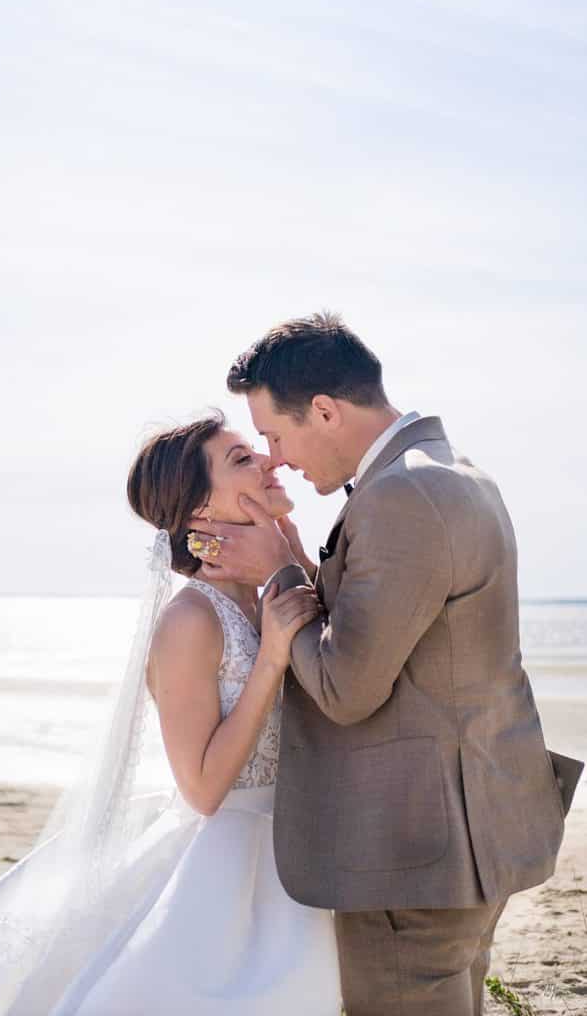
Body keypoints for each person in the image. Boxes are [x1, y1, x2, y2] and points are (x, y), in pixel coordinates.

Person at [187, 312, 584, 1016]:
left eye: (276, 436)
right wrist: (304, 570)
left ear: (325, 411)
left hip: (415, 850)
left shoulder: (405, 494)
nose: (274, 458)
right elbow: (399, 634)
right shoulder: (447, 473)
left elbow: (345, 689)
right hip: (466, 835)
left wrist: (281, 576)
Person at [0, 410, 342, 1015]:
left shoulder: (275, 590)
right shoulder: (191, 619)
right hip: (228, 864)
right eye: (242, 459)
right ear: (199, 513)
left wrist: (292, 562)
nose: (268, 461)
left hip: (301, 846)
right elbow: (203, 790)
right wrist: (269, 659)